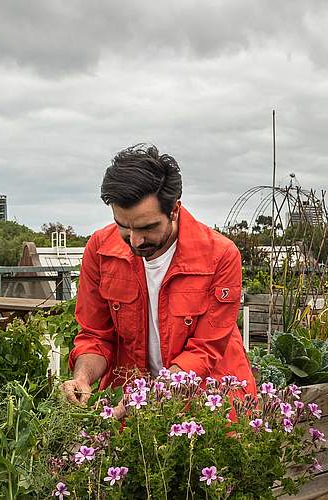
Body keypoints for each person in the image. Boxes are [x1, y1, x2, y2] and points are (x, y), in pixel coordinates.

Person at [62, 144, 254, 406]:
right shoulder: (100, 249)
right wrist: (82, 378)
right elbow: (96, 335)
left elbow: (205, 350)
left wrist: (147, 398)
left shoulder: (220, 255)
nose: (136, 241)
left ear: (173, 210)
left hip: (208, 399)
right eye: (123, 227)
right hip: (128, 397)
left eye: (147, 227)